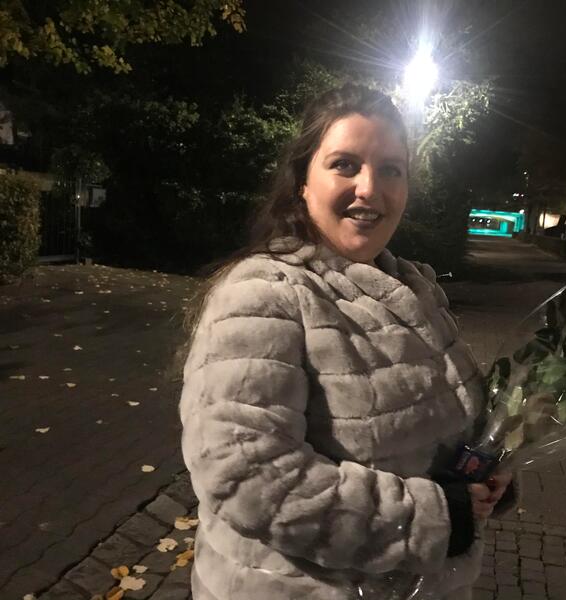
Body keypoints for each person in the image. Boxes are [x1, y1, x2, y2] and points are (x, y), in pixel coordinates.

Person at [179, 83, 512, 600]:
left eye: (391, 170)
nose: (369, 188)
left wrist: (489, 469)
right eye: (345, 164)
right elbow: (247, 477)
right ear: (301, 183)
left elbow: (452, 429)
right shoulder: (264, 294)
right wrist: (435, 516)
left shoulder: (417, 289)